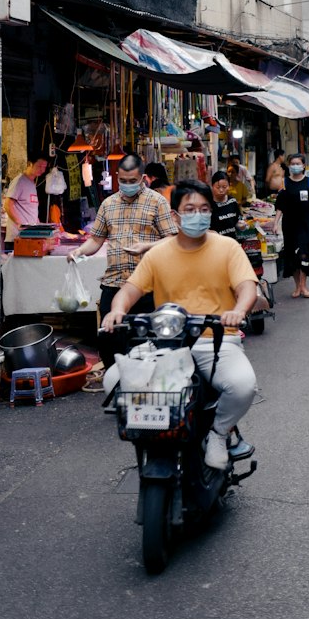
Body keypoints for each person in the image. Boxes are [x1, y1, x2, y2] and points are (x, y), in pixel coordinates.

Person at [102, 180, 258, 470]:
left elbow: (247, 287)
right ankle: (152, 436)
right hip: (166, 344)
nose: (196, 215)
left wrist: (238, 310)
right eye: (189, 209)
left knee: (243, 385)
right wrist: (117, 311)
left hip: (217, 340)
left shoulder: (228, 247)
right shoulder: (157, 254)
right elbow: (129, 290)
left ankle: (219, 433)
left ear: (211, 212)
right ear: (175, 215)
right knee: (113, 381)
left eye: (203, 209)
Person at [68, 154, 178, 323]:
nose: (127, 185)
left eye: (132, 180)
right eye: (123, 181)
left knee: (146, 344)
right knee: (111, 341)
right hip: (114, 284)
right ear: (118, 177)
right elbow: (96, 240)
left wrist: (146, 246)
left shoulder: (158, 202)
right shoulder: (108, 204)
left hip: (148, 288)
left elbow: (171, 239)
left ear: (142, 178)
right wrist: (79, 251)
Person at [275, 154, 309, 298]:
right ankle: (297, 286)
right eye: (292, 163)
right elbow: (280, 206)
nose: (295, 166)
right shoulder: (284, 183)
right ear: (289, 166)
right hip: (289, 224)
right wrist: (275, 223)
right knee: (291, 255)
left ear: (303, 165)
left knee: (304, 253)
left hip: (305, 223)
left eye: (298, 163)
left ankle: (304, 286)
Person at [3, 155, 48, 241]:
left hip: (28, 237)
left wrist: (38, 225)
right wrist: (19, 223)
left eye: (44, 167)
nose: (42, 170)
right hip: (17, 238)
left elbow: (29, 210)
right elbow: (8, 205)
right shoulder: (19, 181)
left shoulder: (32, 183)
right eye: (39, 166)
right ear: (30, 164)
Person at [210, 169, 242, 238]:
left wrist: (242, 225)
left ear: (229, 186)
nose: (221, 190)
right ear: (212, 186)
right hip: (216, 243)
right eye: (218, 187)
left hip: (232, 242)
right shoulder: (208, 205)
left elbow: (237, 221)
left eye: (224, 187)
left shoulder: (232, 201)